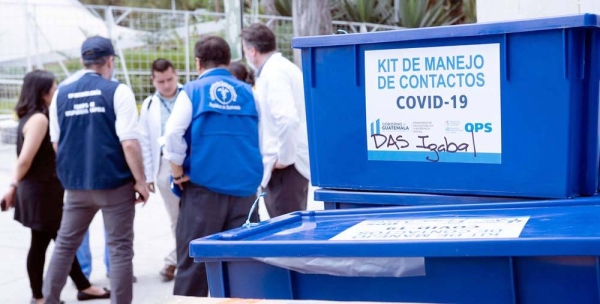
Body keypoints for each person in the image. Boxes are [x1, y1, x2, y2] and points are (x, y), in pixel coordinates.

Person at [42, 36, 149, 304]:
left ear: (82, 61)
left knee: (65, 246)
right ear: (110, 61)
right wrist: (141, 181)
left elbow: (57, 142)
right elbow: (130, 143)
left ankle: (49, 299)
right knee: (120, 250)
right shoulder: (117, 91)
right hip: (115, 185)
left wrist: (77, 171)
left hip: (77, 187)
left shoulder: (61, 95)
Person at [163, 35, 263, 297]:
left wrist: (176, 172)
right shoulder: (250, 93)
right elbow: (263, 137)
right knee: (243, 267)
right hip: (245, 194)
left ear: (198, 63)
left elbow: (173, 133)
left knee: (194, 266)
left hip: (202, 192)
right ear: (228, 61)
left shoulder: (193, 92)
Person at [1, 70, 109, 304]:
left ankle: (79, 287)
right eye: (54, 88)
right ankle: (40, 297)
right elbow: (25, 159)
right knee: (52, 243)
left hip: (41, 190)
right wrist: (12, 186)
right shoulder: (40, 119)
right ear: (43, 93)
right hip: (41, 192)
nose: (58, 92)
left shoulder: (30, 116)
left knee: (58, 241)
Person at [241, 23, 310, 218]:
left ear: (252, 51)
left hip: (287, 168)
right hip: (290, 164)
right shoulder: (284, 68)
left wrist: (284, 158)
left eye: (245, 50)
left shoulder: (273, 73)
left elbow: (287, 119)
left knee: (287, 235)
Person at [139, 58, 182, 282]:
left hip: (191, 163)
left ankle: (176, 259)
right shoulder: (148, 106)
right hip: (164, 165)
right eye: (161, 81)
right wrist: (148, 176)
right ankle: (179, 259)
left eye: (170, 79)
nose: (166, 85)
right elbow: (145, 142)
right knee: (176, 217)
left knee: (197, 215)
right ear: (153, 80)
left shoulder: (189, 95)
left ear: (176, 75)